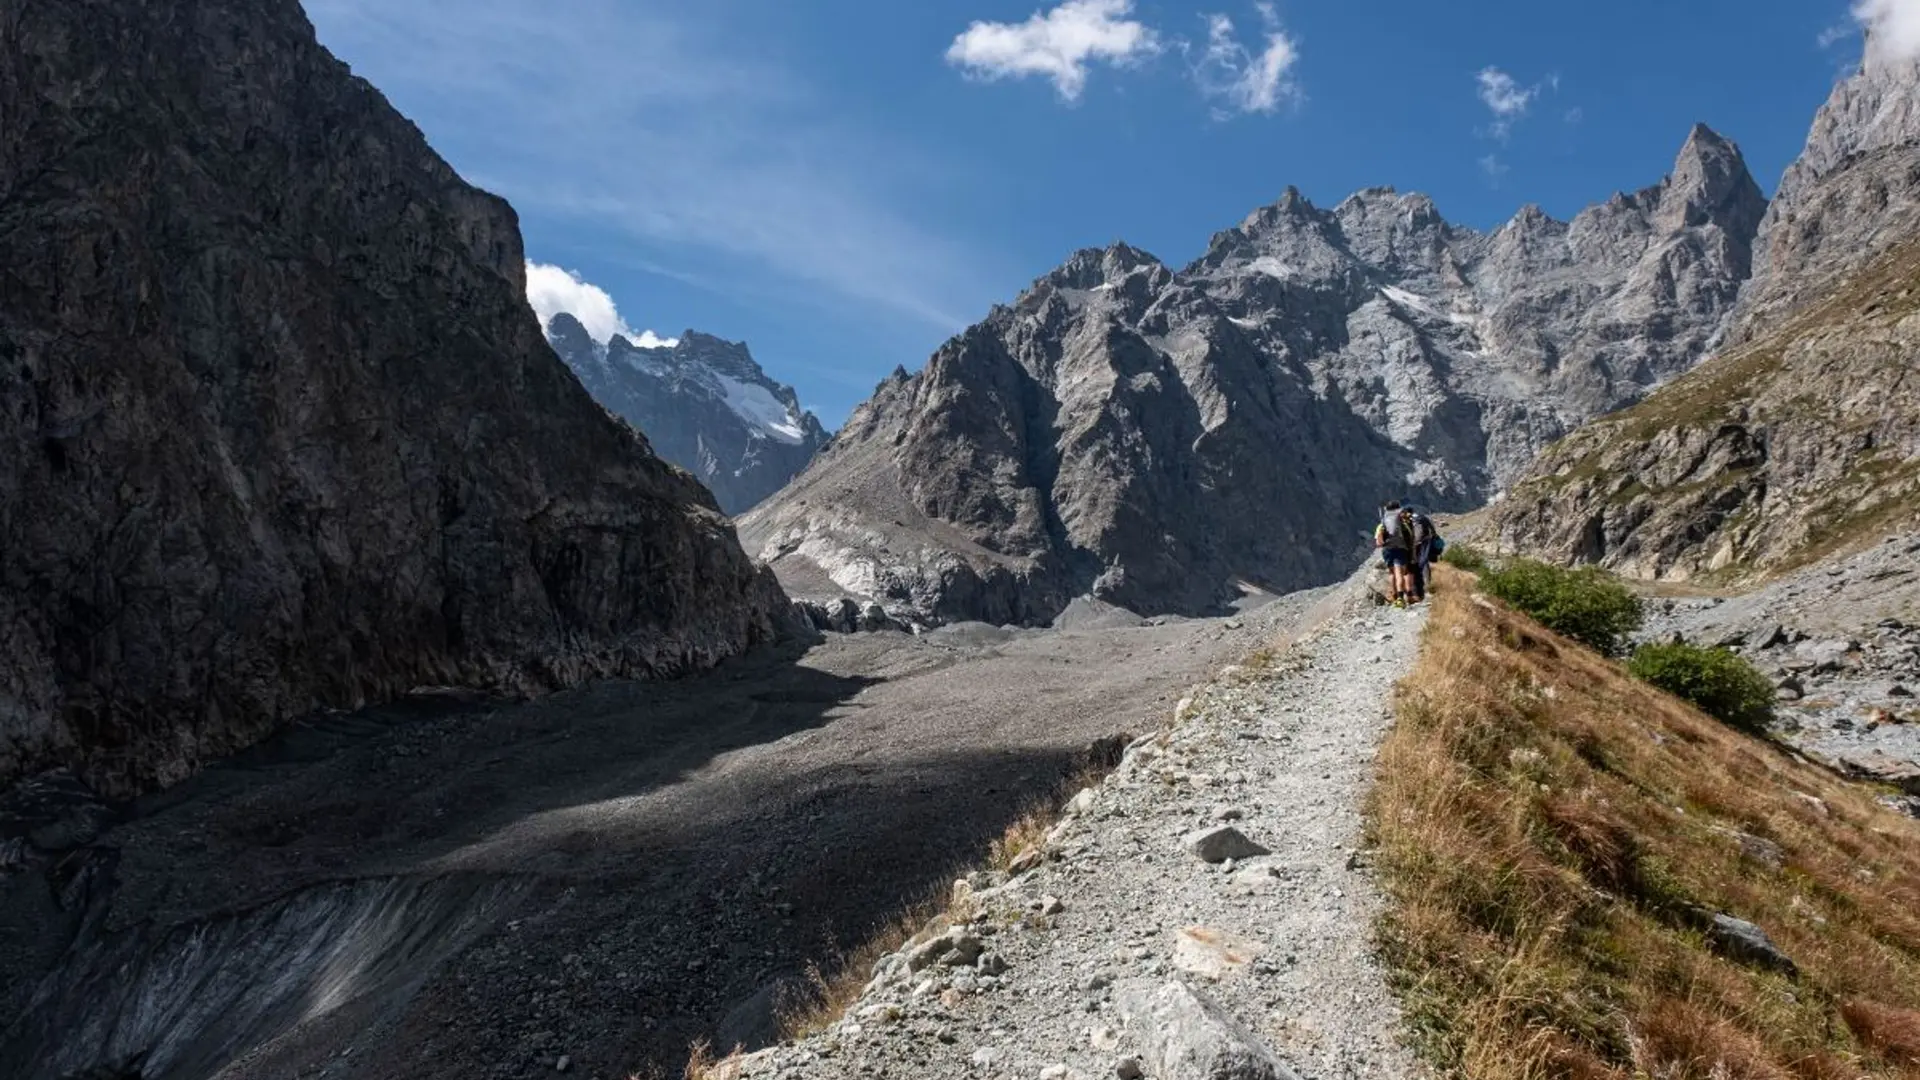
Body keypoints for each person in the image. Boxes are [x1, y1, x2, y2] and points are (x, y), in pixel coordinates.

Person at [1373, 500, 1416, 606]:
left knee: (1392, 573)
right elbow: (1410, 536)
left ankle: (1394, 596)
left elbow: (1378, 542)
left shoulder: (1383, 523)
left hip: (1387, 550)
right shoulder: (1402, 521)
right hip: (1400, 548)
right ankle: (1401, 598)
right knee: (1400, 573)